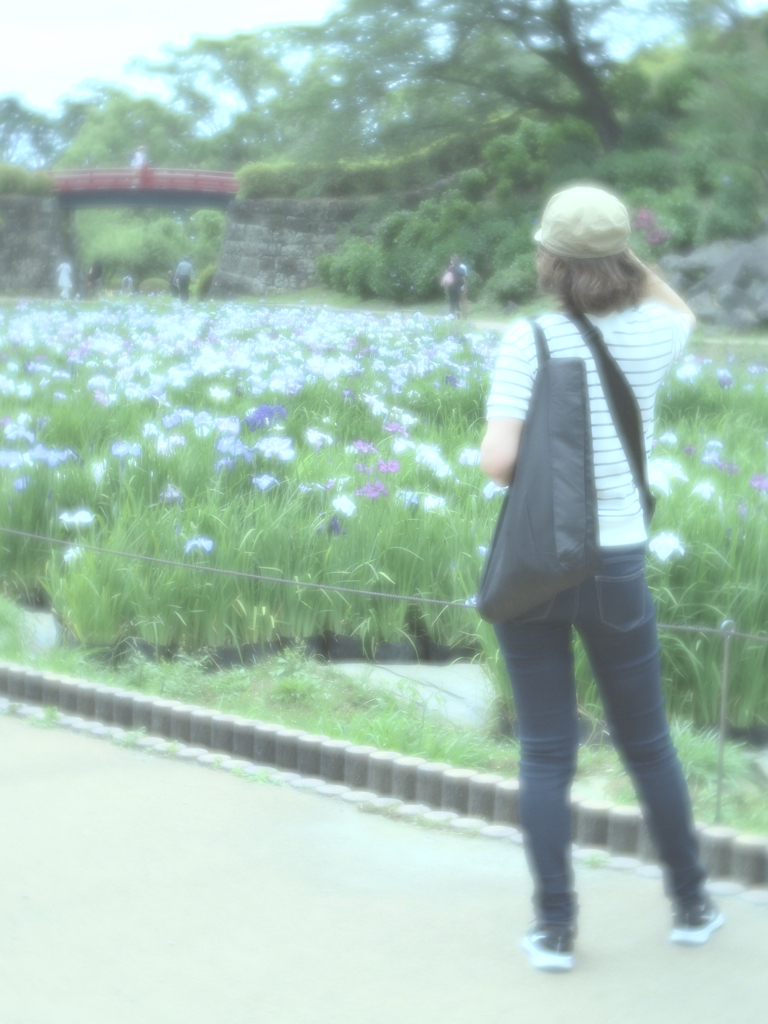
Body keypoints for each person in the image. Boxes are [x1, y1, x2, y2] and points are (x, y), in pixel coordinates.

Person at [480, 185, 721, 972]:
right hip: (617, 561)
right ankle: (691, 905)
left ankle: (554, 929)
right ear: (621, 257)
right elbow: (680, 306)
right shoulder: (657, 333)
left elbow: (499, 464)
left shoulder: (529, 339)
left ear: (546, 258)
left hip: (539, 563)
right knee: (647, 742)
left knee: (547, 752)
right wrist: (624, 259)